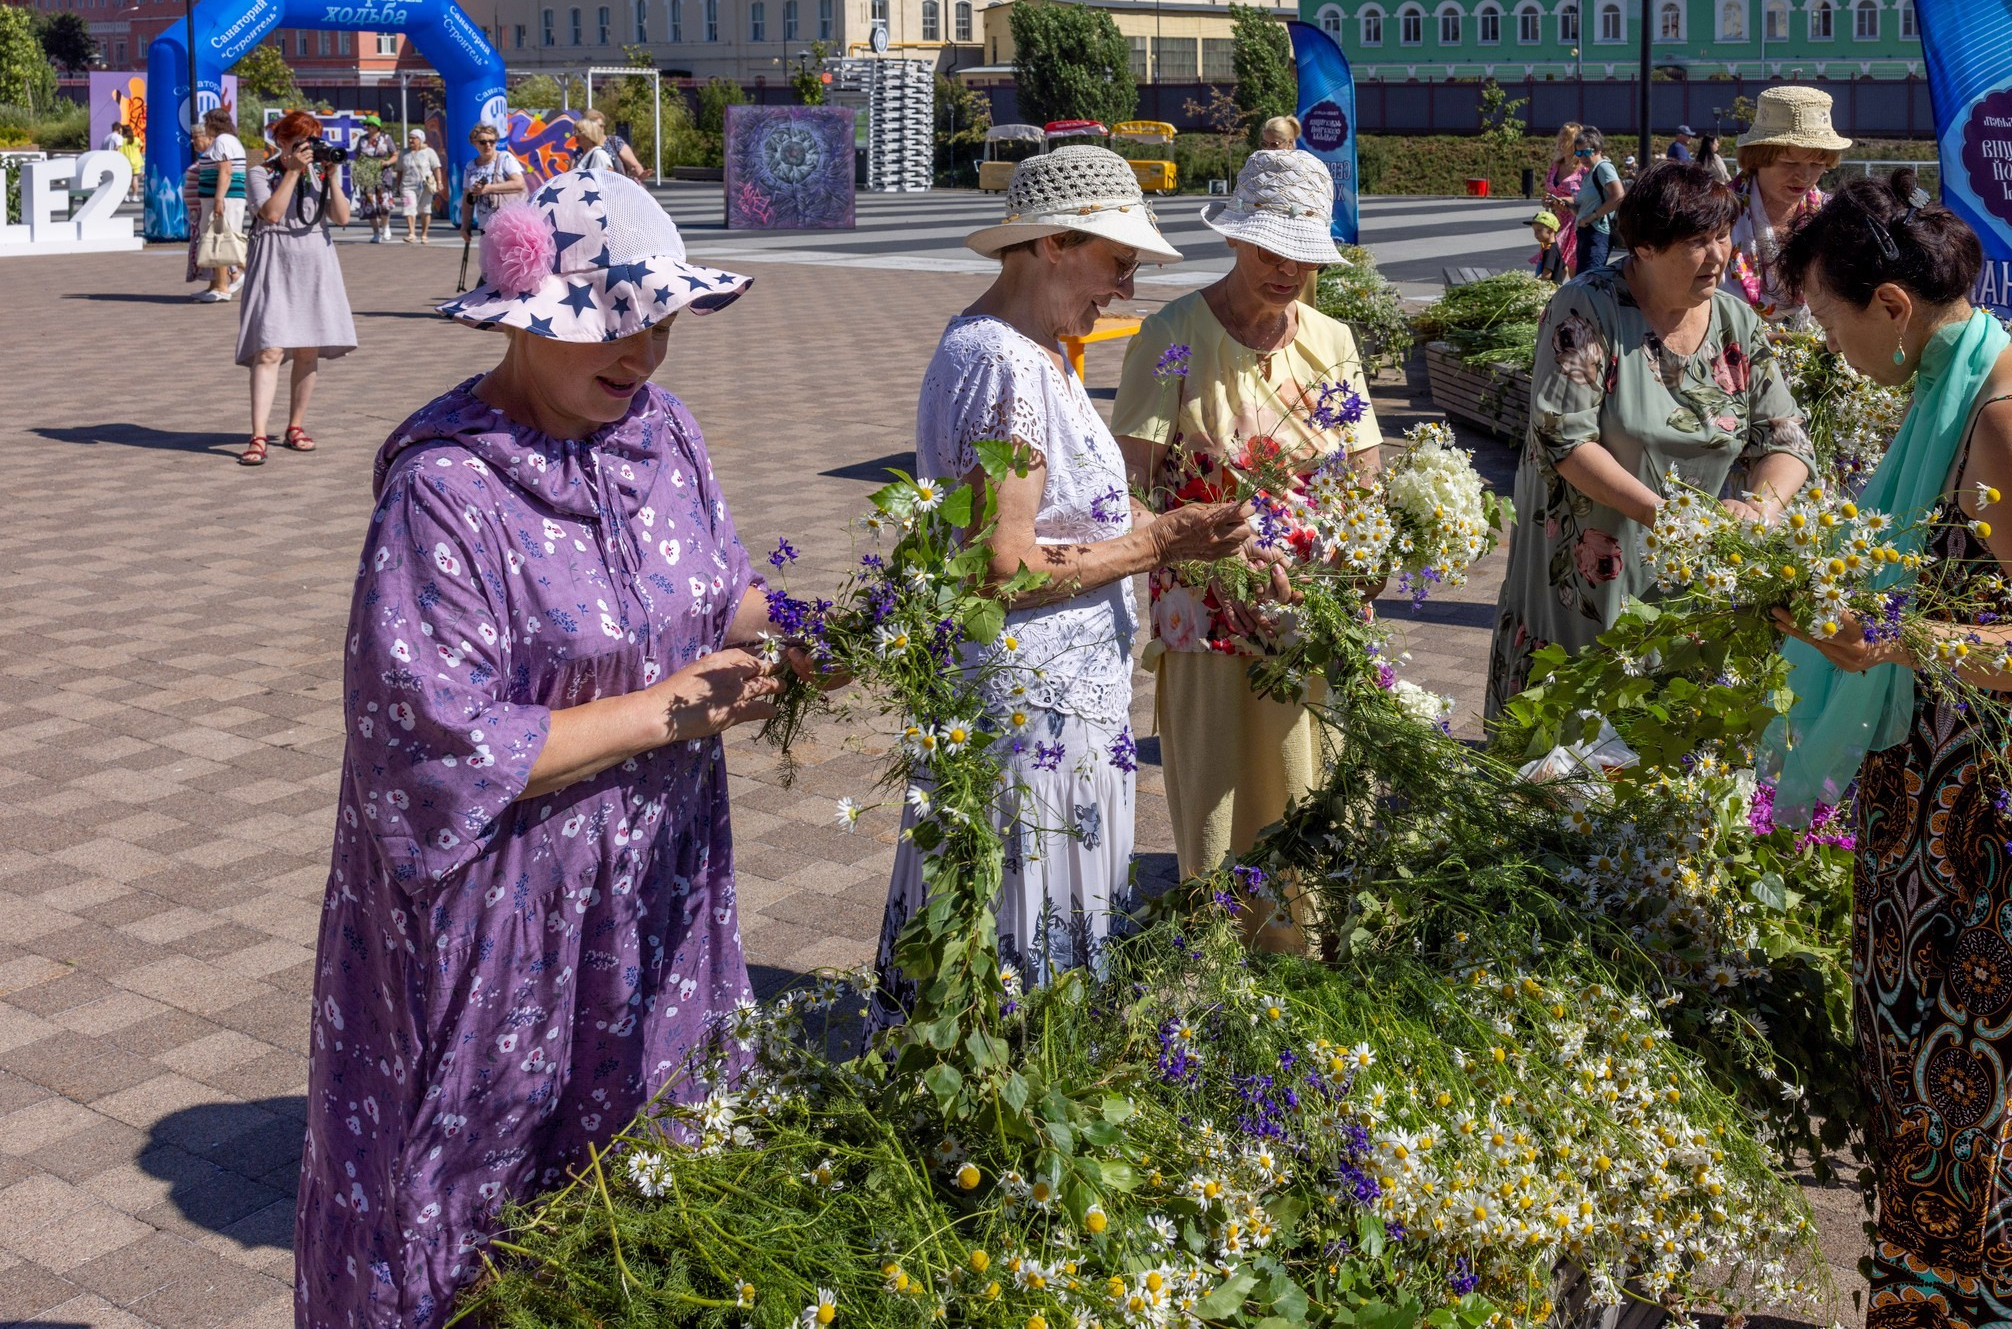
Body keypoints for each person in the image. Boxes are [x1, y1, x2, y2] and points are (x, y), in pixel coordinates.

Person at [295, 167, 770, 1326]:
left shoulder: (661, 435)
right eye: (612, 326)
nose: (643, 353)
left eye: (659, 322)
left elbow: (711, 598)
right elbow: (432, 745)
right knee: (475, 1213)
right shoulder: (444, 488)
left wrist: (824, 629)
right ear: (522, 316)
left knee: (650, 1195)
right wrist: (676, 708)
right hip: (503, 916)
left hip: (654, 884)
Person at [1766, 179, 2012, 1329]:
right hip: (1965, 820)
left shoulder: (2008, 423)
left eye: (1832, 324)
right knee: (1950, 1121)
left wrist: (1884, 634)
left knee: (1983, 1125)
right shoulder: (1960, 391)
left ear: (1890, 303)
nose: (1830, 351)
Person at [880, 147, 1258, 985]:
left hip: (1057, 701)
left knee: (1034, 936)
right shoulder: (1006, 362)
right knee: (1027, 948)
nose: (1124, 288)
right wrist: (1161, 545)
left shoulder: (1029, 348)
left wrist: (1191, 532)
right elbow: (1000, 567)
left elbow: (1080, 515)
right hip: (1033, 714)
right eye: (1117, 263)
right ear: (1053, 242)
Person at [1114, 148, 1382, 918]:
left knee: (1311, 796)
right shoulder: (1172, 335)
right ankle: (1226, 984)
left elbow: (1364, 478)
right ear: (1234, 239)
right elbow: (1126, 495)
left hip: (1313, 615)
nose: (1287, 269)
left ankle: (1308, 976)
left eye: (1303, 254)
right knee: (1220, 810)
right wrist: (1206, 549)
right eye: (1271, 249)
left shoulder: (1331, 340)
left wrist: (1359, 562)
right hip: (1207, 618)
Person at [1484, 160, 1814, 715]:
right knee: (1574, 740)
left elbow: (1785, 439)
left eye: (1722, 236)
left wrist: (1761, 509)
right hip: (1591, 571)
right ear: (1644, 249)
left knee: (1674, 742)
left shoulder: (1736, 321)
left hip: (1697, 572)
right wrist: (1668, 517)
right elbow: (1565, 440)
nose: (1717, 255)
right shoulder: (1587, 306)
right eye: (1695, 242)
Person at [234, 112, 358, 466]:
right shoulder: (261, 168)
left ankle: (295, 426)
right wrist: (291, 170)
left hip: (316, 262)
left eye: (313, 141)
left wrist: (331, 178)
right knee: (269, 349)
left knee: (308, 348)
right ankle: (258, 435)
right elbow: (271, 213)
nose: (309, 149)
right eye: (301, 142)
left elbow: (343, 217)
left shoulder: (319, 171)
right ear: (283, 142)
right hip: (275, 261)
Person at [1722, 85, 1849, 324]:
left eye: (1817, 164)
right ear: (1758, 158)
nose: (1804, 176)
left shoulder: (1833, 217)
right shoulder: (1718, 213)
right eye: (1789, 163)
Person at [191, 108, 250, 300]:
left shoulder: (222, 141)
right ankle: (215, 284)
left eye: (207, 123)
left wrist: (218, 199)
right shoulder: (227, 141)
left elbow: (225, 171)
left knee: (220, 239)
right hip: (223, 197)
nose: (205, 127)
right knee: (214, 239)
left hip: (226, 198)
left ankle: (223, 286)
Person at [1571, 126, 1625, 275]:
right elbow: (1585, 205)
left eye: (1587, 152)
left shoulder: (1603, 167)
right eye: (1579, 153)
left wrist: (1593, 216)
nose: (1582, 157)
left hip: (1598, 232)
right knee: (1583, 277)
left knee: (1589, 278)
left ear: (1597, 150)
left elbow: (1618, 195)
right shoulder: (1590, 172)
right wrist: (1569, 206)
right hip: (1586, 231)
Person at [1541, 123, 1584, 275]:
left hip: (1574, 224)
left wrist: (1565, 201)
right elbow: (1549, 189)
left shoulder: (1583, 168)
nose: (1560, 142)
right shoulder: (1555, 166)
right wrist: (1547, 200)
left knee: (1570, 272)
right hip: (1555, 222)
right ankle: (1553, 297)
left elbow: (1587, 197)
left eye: (1565, 138)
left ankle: (1575, 298)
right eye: (1560, 137)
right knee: (1553, 270)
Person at [396, 129, 441, 243]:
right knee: (408, 209)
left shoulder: (429, 152)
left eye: (414, 138)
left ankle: (424, 234)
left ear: (420, 139)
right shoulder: (403, 153)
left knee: (425, 210)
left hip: (425, 186)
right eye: (409, 138)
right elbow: (400, 170)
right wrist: (398, 186)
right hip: (407, 186)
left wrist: (439, 182)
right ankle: (411, 233)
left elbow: (436, 167)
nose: (411, 140)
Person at [573, 110, 647, 179]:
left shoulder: (603, 151)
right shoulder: (580, 151)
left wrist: (639, 173)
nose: (575, 134)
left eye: (601, 126)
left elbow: (599, 182)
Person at [1528, 208, 1566, 283]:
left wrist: (1538, 286)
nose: (1535, 234)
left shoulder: (1549, 250)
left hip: (1547, 290)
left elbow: (1547, 274)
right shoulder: (1554, 247)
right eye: (1534, 230)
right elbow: (1565, 269)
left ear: (1551, 230)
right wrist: (1559, 283)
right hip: (1554, 289)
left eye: (1539, 230)